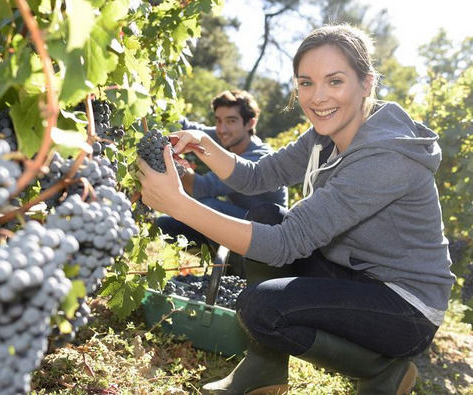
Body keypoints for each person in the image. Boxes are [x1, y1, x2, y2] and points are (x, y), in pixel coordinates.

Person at [137, 23, 455, 394]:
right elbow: (258, 176)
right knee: (266, 214)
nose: (317, 97)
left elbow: (285, 244)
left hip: (405, 308)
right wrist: (204, 144)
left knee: (261, 307)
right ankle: (265, 370)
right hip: (355, 274)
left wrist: (178, 204)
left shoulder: (385, 156)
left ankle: (381, 371)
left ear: (366, 84)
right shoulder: (325, 133)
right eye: (306, 83)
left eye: (334, 81)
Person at [156, 89, 287, 248]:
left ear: (250, 123)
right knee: (163, 224)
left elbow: (201, 187)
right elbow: (188, 128)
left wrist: (168, 158)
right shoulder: (226, 136)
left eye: (231, 121)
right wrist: (154, 105)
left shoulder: (259, 156)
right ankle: (215, 255)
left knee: (207, 205)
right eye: (218, 120)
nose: (222, 129)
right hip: (233, 222)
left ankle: (230, 265)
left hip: (265, 235)